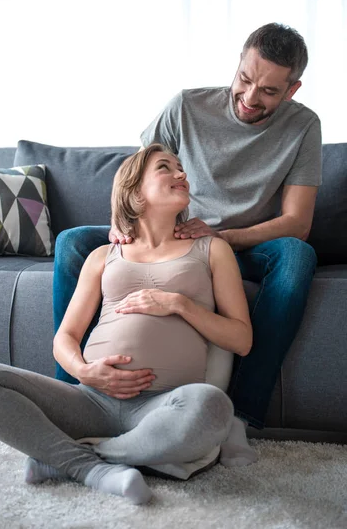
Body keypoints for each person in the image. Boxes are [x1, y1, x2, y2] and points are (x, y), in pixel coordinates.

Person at [52, 23, 322, 467]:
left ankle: (242, 415)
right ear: (237, 63)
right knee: (72, 243)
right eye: (245, 80)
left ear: (292, 90)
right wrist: (121, 224)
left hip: (239, 244)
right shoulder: (186, 105)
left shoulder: (303, 126)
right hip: (173, 238)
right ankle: (74, 396)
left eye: (270, 91)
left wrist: (223, 236)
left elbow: (297, 221)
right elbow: (139, 172)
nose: (251, 98)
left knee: (296, 255)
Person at [0, 144, 252, 506]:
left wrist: (178, 304)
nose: (181, 174)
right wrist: (84, 370)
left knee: (213, 406)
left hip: (164, 405)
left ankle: (73, 459)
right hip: (91, 400)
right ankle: (94, 465)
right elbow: (66, 335)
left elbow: (241, 339)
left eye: (181, 169)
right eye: (165, 168)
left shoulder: (210, 249)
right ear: (134, 190)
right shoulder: (102, 256)